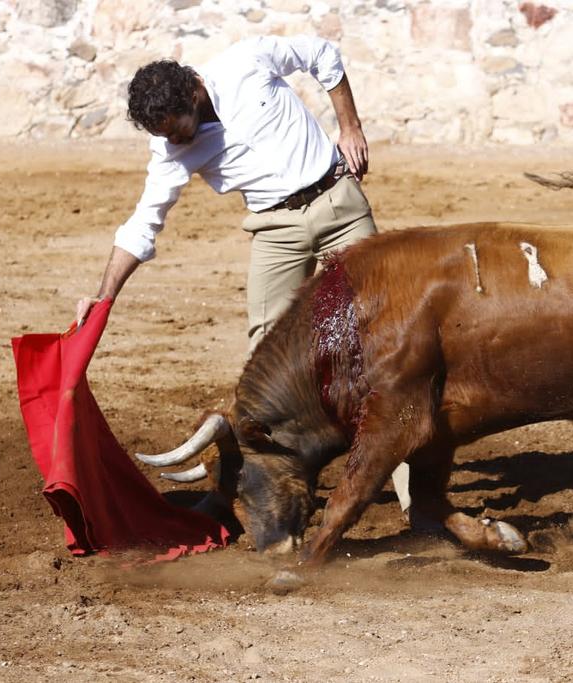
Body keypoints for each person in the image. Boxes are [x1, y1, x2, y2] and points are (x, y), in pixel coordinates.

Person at [75, 34, 412, 517]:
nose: (172, 143)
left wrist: (350, 127)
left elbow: (322, 55)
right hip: (275, 230)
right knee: (264, 363)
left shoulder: (244, 61)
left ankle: (416, 494)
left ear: (194, 90)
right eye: (164, 135)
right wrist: (102, 297)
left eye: (178, 131)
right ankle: (242, 485)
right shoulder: (168, 149)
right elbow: (143, 223)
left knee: (382, 342)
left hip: (339, 204)